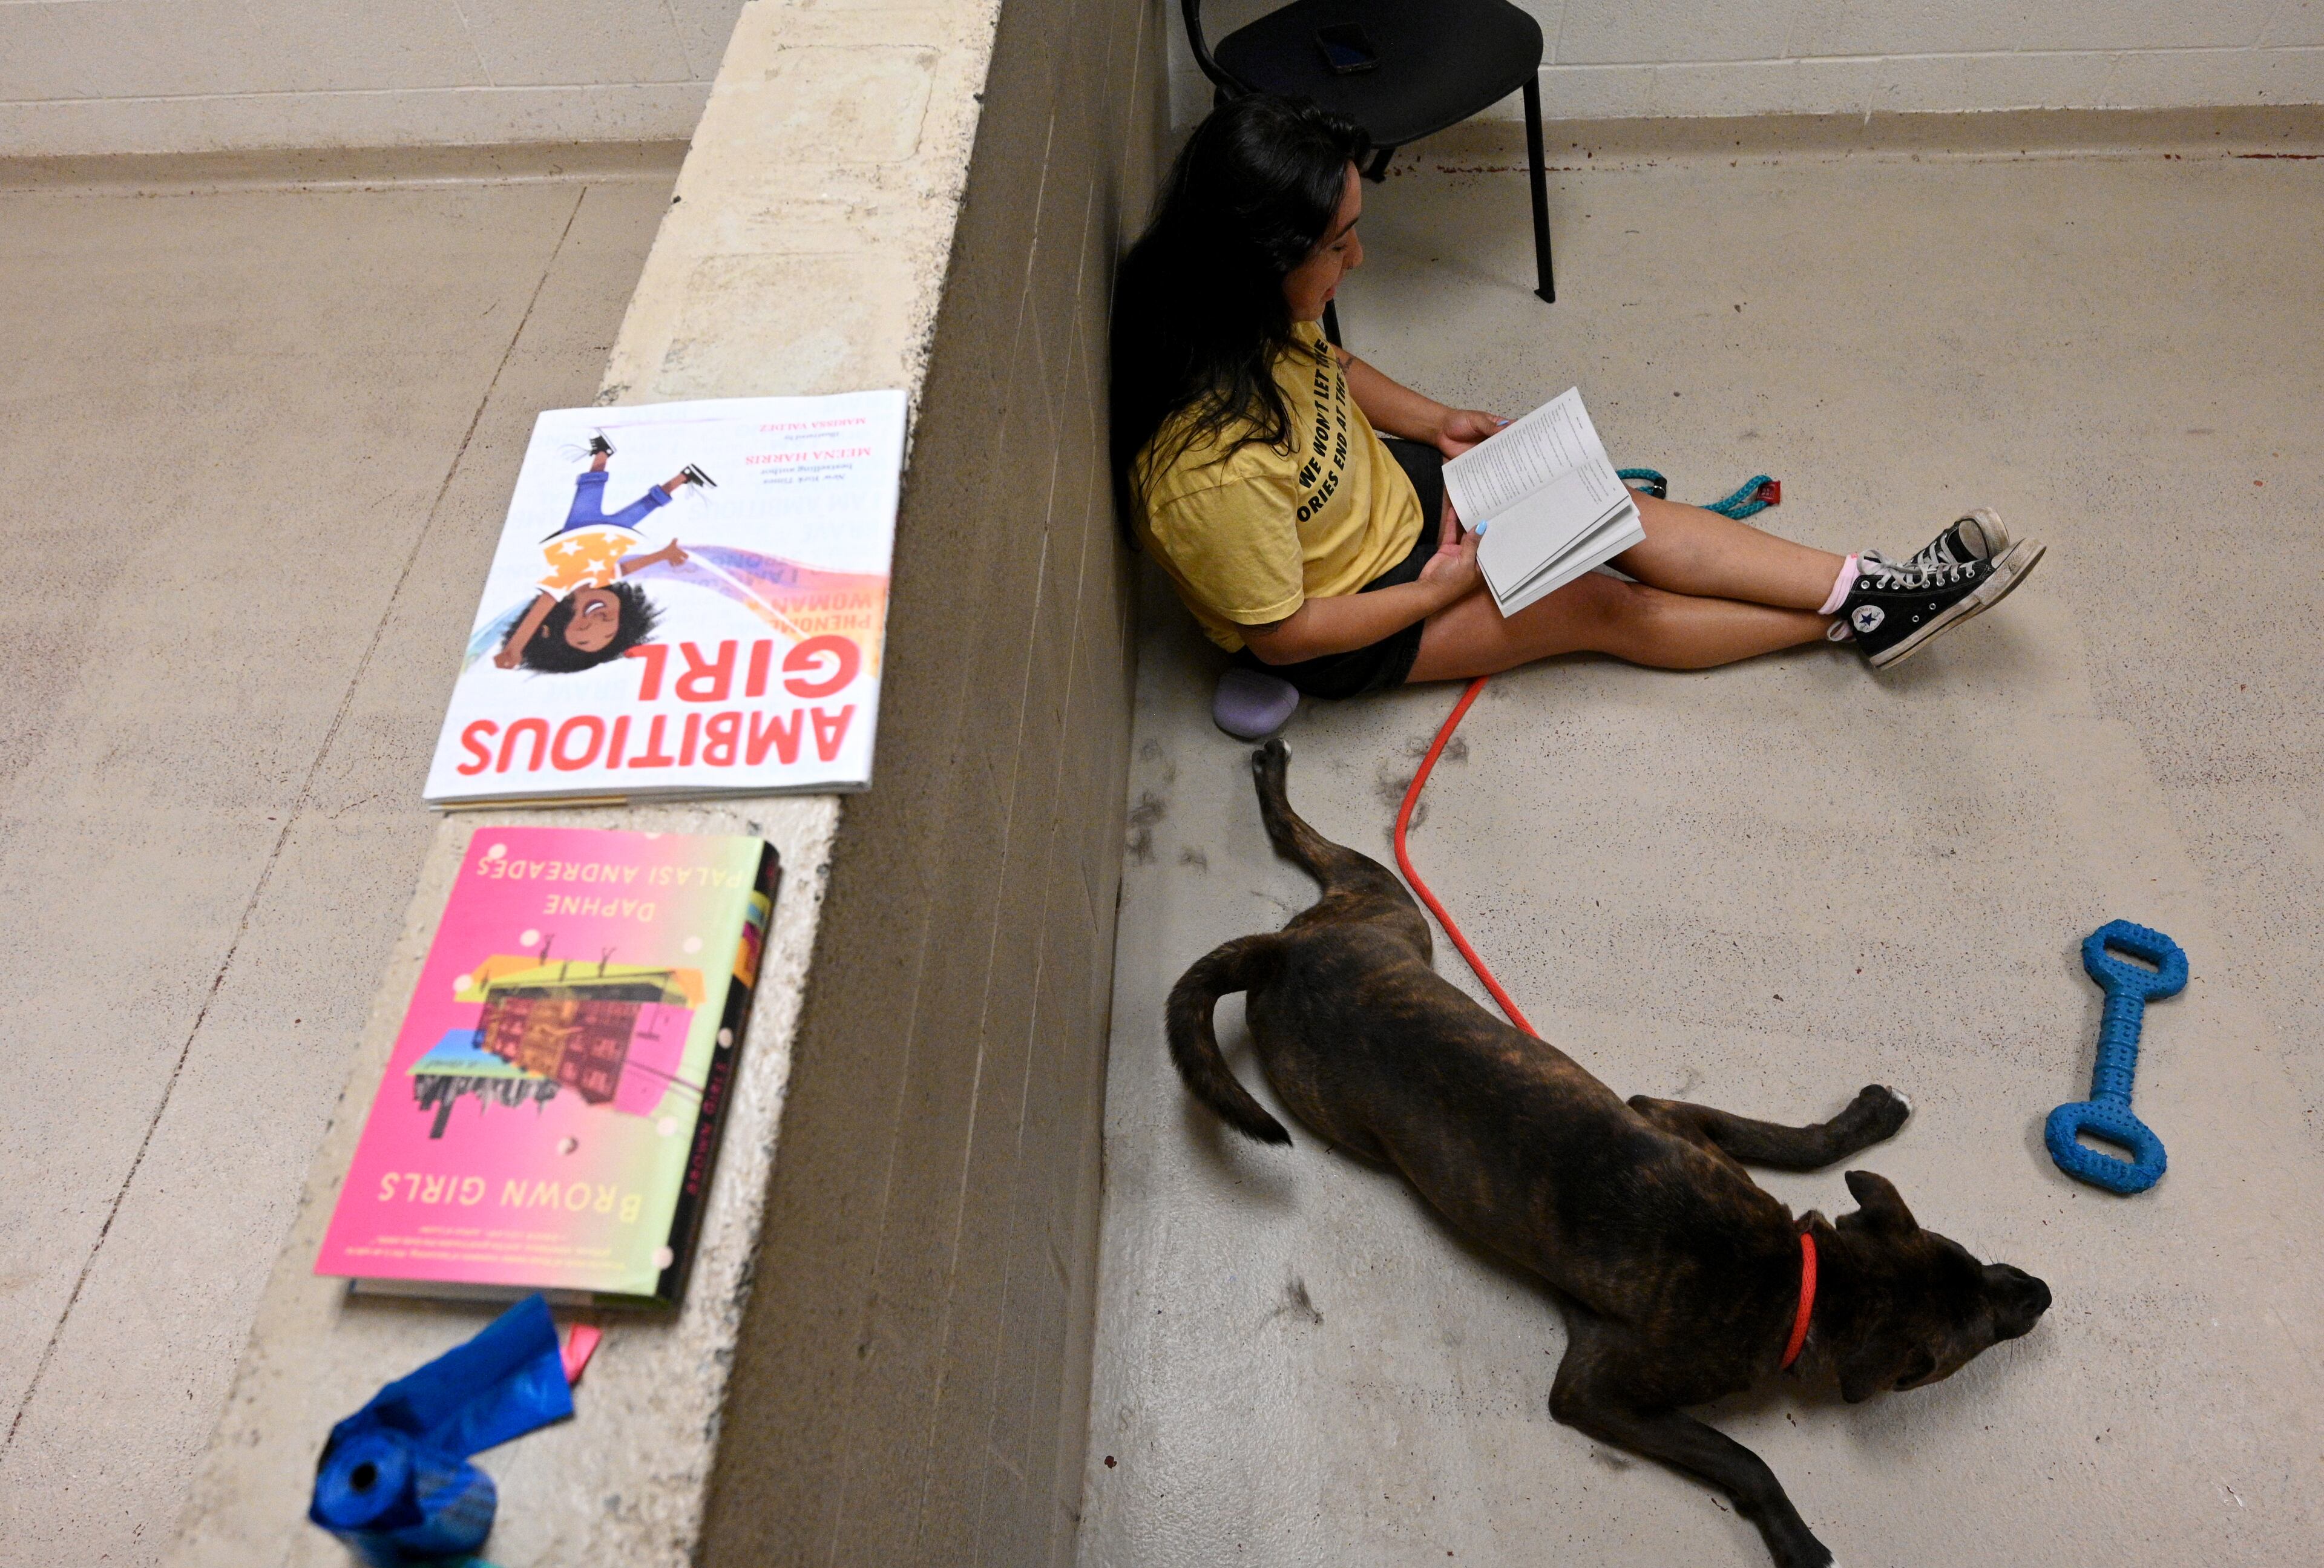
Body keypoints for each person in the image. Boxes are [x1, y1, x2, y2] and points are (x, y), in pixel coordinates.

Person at [1109, 96, 2044, 726]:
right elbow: (1285, 631)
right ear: (1261, 255)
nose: (1357, 262)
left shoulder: (1244, 308)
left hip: (1400, 493)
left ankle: (1868, 581)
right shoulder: (1207, 475)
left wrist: (1434, 422)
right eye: (1340, 242)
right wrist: (1434, 590)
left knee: (1608, 509)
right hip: (1353, 615)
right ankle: (1860, 620)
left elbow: (1335, 367)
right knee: (1602, 602)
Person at [494, 442, 710, 672]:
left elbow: (535, 617)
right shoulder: (602, 579)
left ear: (549, 631)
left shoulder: (560, 586)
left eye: (583, 638)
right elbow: (626, 569)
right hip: (615, 533)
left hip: (579, 529)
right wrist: (662, 555)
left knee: (590, 490)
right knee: (647, 506)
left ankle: (601, 452)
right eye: (610, 633)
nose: (601, 624)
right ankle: (683, 478)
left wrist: (515, 648)